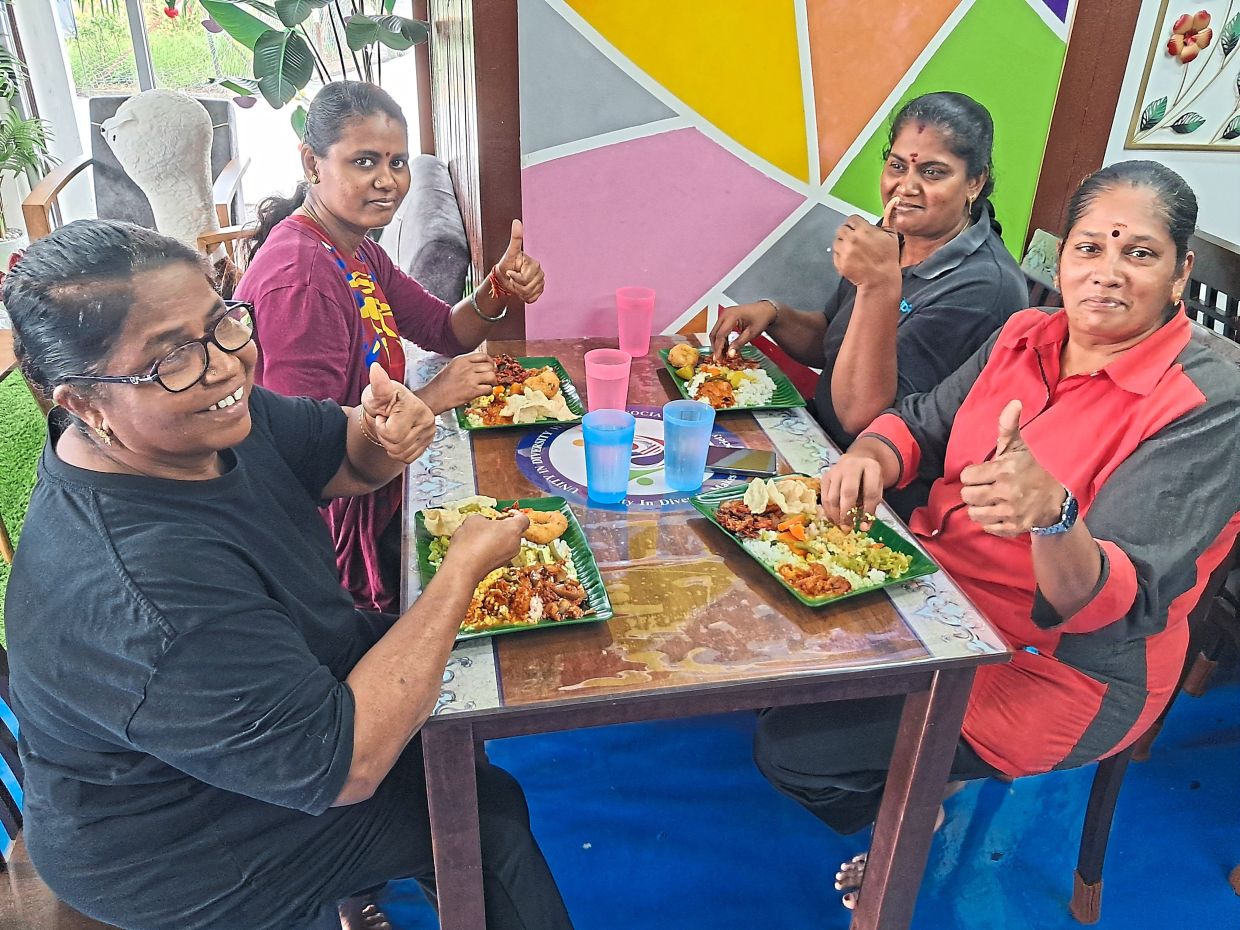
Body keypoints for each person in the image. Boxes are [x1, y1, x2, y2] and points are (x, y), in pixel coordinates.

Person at [2, 220, 573, 930]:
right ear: (84, 405)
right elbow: (350, 764)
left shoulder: (206, 421)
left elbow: (345, 456)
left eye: (221, 323)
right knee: (488, 821)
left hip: (282, 694)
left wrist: (383, 435)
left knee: (464, 733)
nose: (224, 367)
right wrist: (458, 573)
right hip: (178, 845)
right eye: (170, 358)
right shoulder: (141, 586)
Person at [753, 161, 1240, 908]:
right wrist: (869, 457)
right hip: (935, 588)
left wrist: (1055, 514)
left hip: (1062, 665)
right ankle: (920, 773)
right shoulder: (1024, 335)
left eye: (1139, 253)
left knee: (793, 754)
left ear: (1179, 277)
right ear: (1064, 256)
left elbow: (1114, 598)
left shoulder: (1208, 403)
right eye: (1089, 248)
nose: (1107, 273)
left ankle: (919, 809)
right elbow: (921, 421)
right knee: (767, 658)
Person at [237, 81, 546, 612]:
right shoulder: (300, 279)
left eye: (397, 162)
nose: (388, 181)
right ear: (313, 162)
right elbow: (301, 454)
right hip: (326, 548)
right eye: (364, 162)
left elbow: (446, 330)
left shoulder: (354, 251)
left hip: (381, 478)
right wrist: (431, 396)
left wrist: (497, 286)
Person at [711, 92, 1027, 516]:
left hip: (881, 493)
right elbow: (835, 339)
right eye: (898, 165)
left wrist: (878, 282)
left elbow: (861, 417)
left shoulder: (984, 286)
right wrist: (775, 314)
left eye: (933, 173)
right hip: (815, 441)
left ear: (974, 181)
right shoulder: (893, 236)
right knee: (692, 461)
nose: (906, 186)